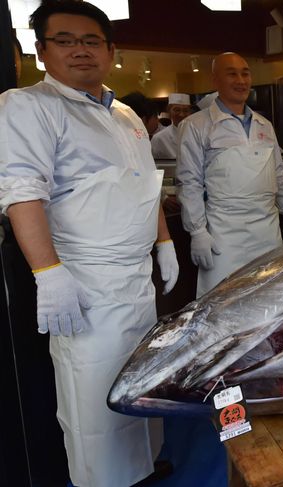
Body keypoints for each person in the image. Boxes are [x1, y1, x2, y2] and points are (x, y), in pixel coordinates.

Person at [0, 2, 179, 486]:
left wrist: (163, 241)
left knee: (141, 378)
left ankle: (145, 464)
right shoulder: (27, 106)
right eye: (65, 40)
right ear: (42, 51)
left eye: (91, 40)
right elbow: (22, 194)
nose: (80, 50)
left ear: (110, 50)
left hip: (136, 279)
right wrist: (48, 274)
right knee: (92, 393)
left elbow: (145, 185)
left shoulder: (126, 115)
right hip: (84, 280)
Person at [176, 52, 283, 297]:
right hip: (223, 232)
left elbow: (278, 173)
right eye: (232, 73)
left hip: (267, 228)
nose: (241, 80)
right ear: (215, 80)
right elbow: (189, 182)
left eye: (245, 73)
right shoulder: (195, 125)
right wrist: (197, 231)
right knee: (223, 299)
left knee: (268, 296)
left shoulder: (264, 125)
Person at [151, 92, 192, 159]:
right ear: (169, 112)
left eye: (185, 110)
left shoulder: (198, 135)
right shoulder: (159, 138)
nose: (181, 114)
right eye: (177, 110)